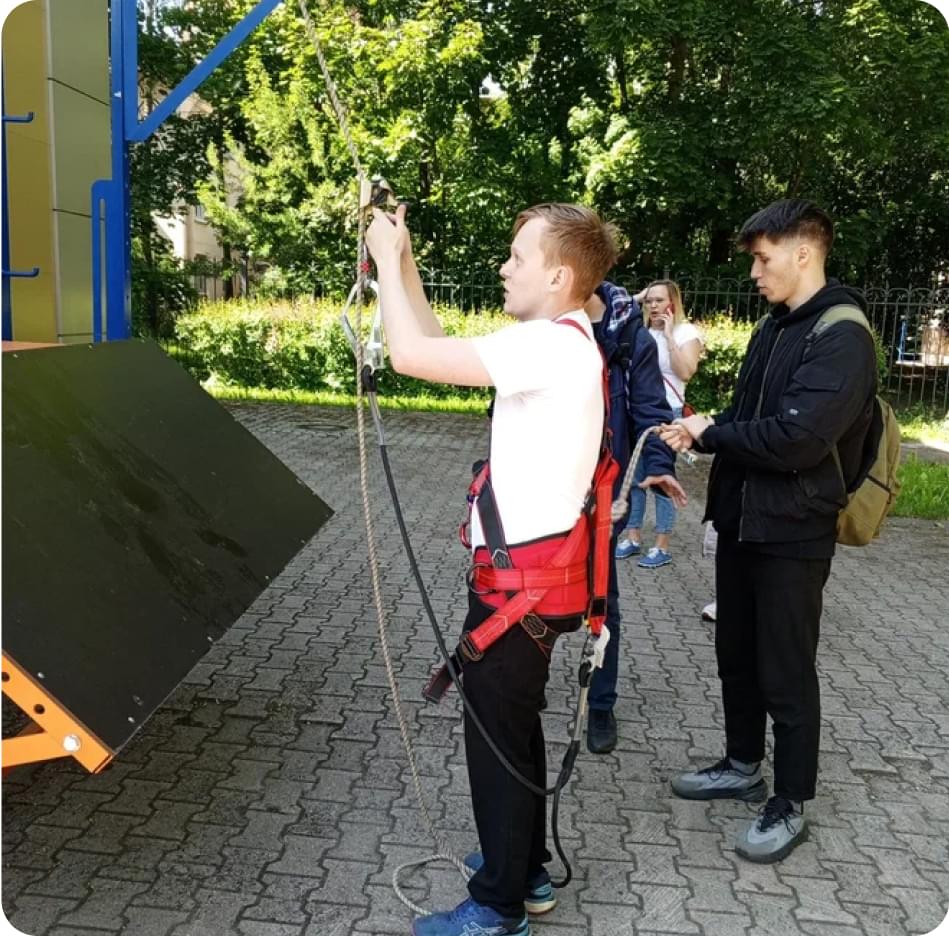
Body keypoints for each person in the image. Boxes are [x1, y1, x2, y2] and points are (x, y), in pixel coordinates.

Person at [365, 201, 619, 936]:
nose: (504, 267)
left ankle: (499, 905)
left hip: (518, 596)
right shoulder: (560, 342)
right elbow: (433, 342)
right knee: (514, 727)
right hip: (531, 590)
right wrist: (403, 261)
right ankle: (524, 867)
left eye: (517, 256)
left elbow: (408, 357)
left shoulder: (549, 347)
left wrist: (381, 260)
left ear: (558, 275)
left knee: (498, 740)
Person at [660, 199, 877, 863]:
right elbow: (747, 413)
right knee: (737, 655)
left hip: (793, 532)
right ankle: (741, 764)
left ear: (803, 252)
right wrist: (699, 429)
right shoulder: (774, 325)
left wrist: (713, 435)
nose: (754, 272)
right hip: (741, 520)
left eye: (762, 257)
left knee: (785, 670)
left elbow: (797, 440)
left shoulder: (842, 335)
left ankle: (789, 801)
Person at [583, 281, 687, 754]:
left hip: (605, 489)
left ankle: (600, 704)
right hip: (546, 492)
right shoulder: (541, 324)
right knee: (535, 595)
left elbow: (650, 410)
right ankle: (528, 683)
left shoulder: (629, 336)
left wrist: (660, 466)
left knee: (602, 601)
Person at [615, 280, 703, 569]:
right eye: (649, 300)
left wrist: (667, 336)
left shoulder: (685, 332)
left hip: (668, 411)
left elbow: (686, 372)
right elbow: (613, 313)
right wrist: (636, 297)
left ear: (672, 303)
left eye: (659, 300)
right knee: (635, 477)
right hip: (637, 410)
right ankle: (633, 537)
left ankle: (662, 544)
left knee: (661, 475)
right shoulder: (639, 331)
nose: (653, 306)